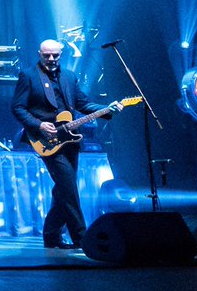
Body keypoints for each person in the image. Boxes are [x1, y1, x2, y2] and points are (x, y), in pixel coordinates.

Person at [11, 38, 123, 250]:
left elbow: (83, 103)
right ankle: (82, 239)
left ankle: (51, 236)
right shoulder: (28, 75)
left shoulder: (69, 76)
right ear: (39, 53)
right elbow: (17, 108)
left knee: (63, 190)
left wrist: (108, 109)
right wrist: (39, 125)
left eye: (55, 55)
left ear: (61, 54)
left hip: (70, 139)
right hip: (46, 141)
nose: (51, 59)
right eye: (46, 55)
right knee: (69, 189)